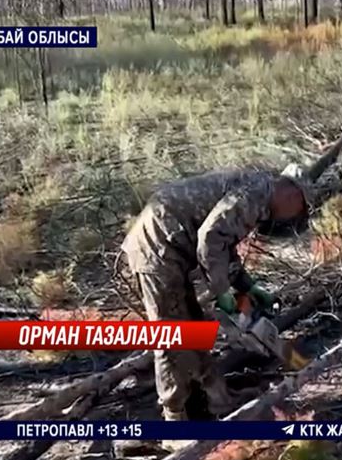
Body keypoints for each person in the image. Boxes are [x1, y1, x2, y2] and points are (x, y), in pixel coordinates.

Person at [121, 166, 309, 427]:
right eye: (297, 212)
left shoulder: (257, 190)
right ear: (294, 196)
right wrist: (222, 295)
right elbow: (210, 238)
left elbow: (223, 244)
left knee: (194, 330)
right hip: (157, 249)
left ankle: (217, 400)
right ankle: (173, 422)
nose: (289, 219)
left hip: (170, 249)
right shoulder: (257, 194)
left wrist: (246, 286)